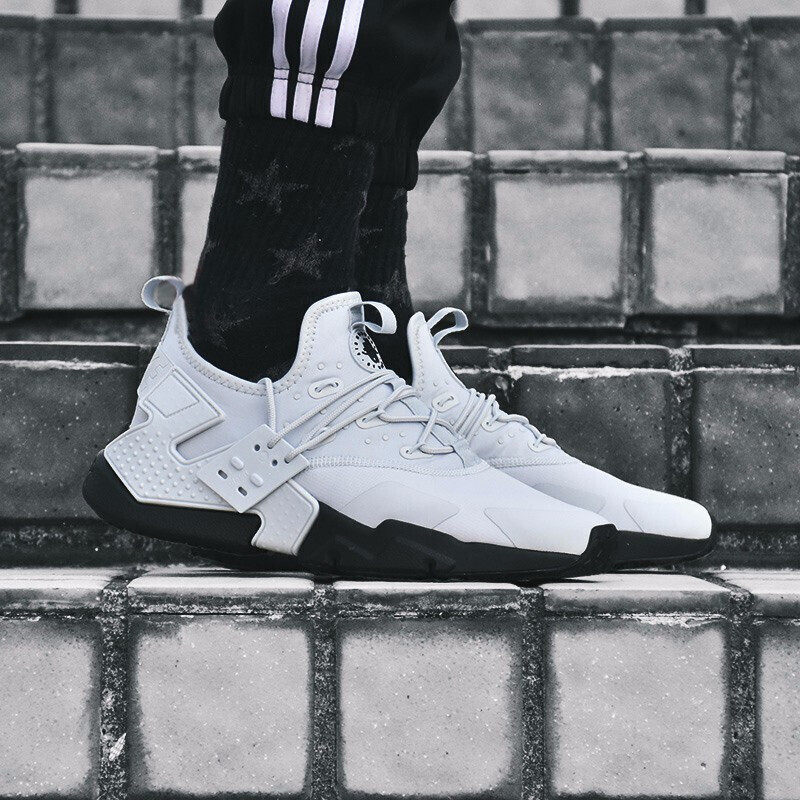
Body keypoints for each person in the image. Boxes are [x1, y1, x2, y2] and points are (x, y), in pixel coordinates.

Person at [83, 0, 713, 579]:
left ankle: (379, 370)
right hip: (261, 390)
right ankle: (249, 360)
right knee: (341, 22)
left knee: (406, 32)